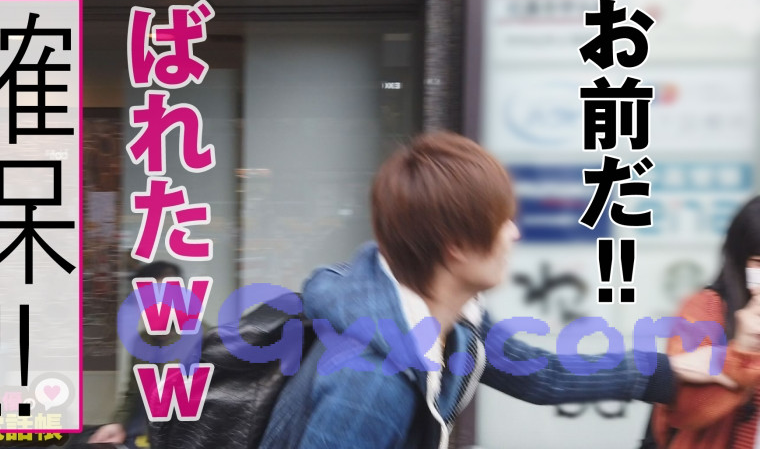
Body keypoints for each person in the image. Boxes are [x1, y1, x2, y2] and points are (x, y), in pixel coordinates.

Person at [259, 131, 734, 449]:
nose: (514, 234)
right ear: (455, 247)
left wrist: (664, 371)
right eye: (501, 222)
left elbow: (540, 374)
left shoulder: (451, 318)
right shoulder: (371, 385)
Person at [651, 196, 760, 448]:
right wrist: (743, 351)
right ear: (739, 262)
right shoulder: (706, 309)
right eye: (759, 262)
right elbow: (684, 413)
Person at [88, 261, 183, 447]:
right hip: (137, 436)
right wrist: (118, 423)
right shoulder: (142, 341)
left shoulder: (205, 341)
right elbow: (132, 392)